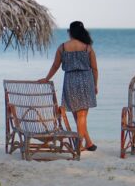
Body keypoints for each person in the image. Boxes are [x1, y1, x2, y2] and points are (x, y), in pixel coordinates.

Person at [38, 21, 98, 151]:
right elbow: (94, 69)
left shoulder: (63, 47)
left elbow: (55, 66)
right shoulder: (87, 48)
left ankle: (88, 143)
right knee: (82, 116)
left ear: (70, 32)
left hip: (70, 81)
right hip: (86, 80)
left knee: (78, 116)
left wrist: (47, 78)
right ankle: (79, 145)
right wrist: (95, 85)